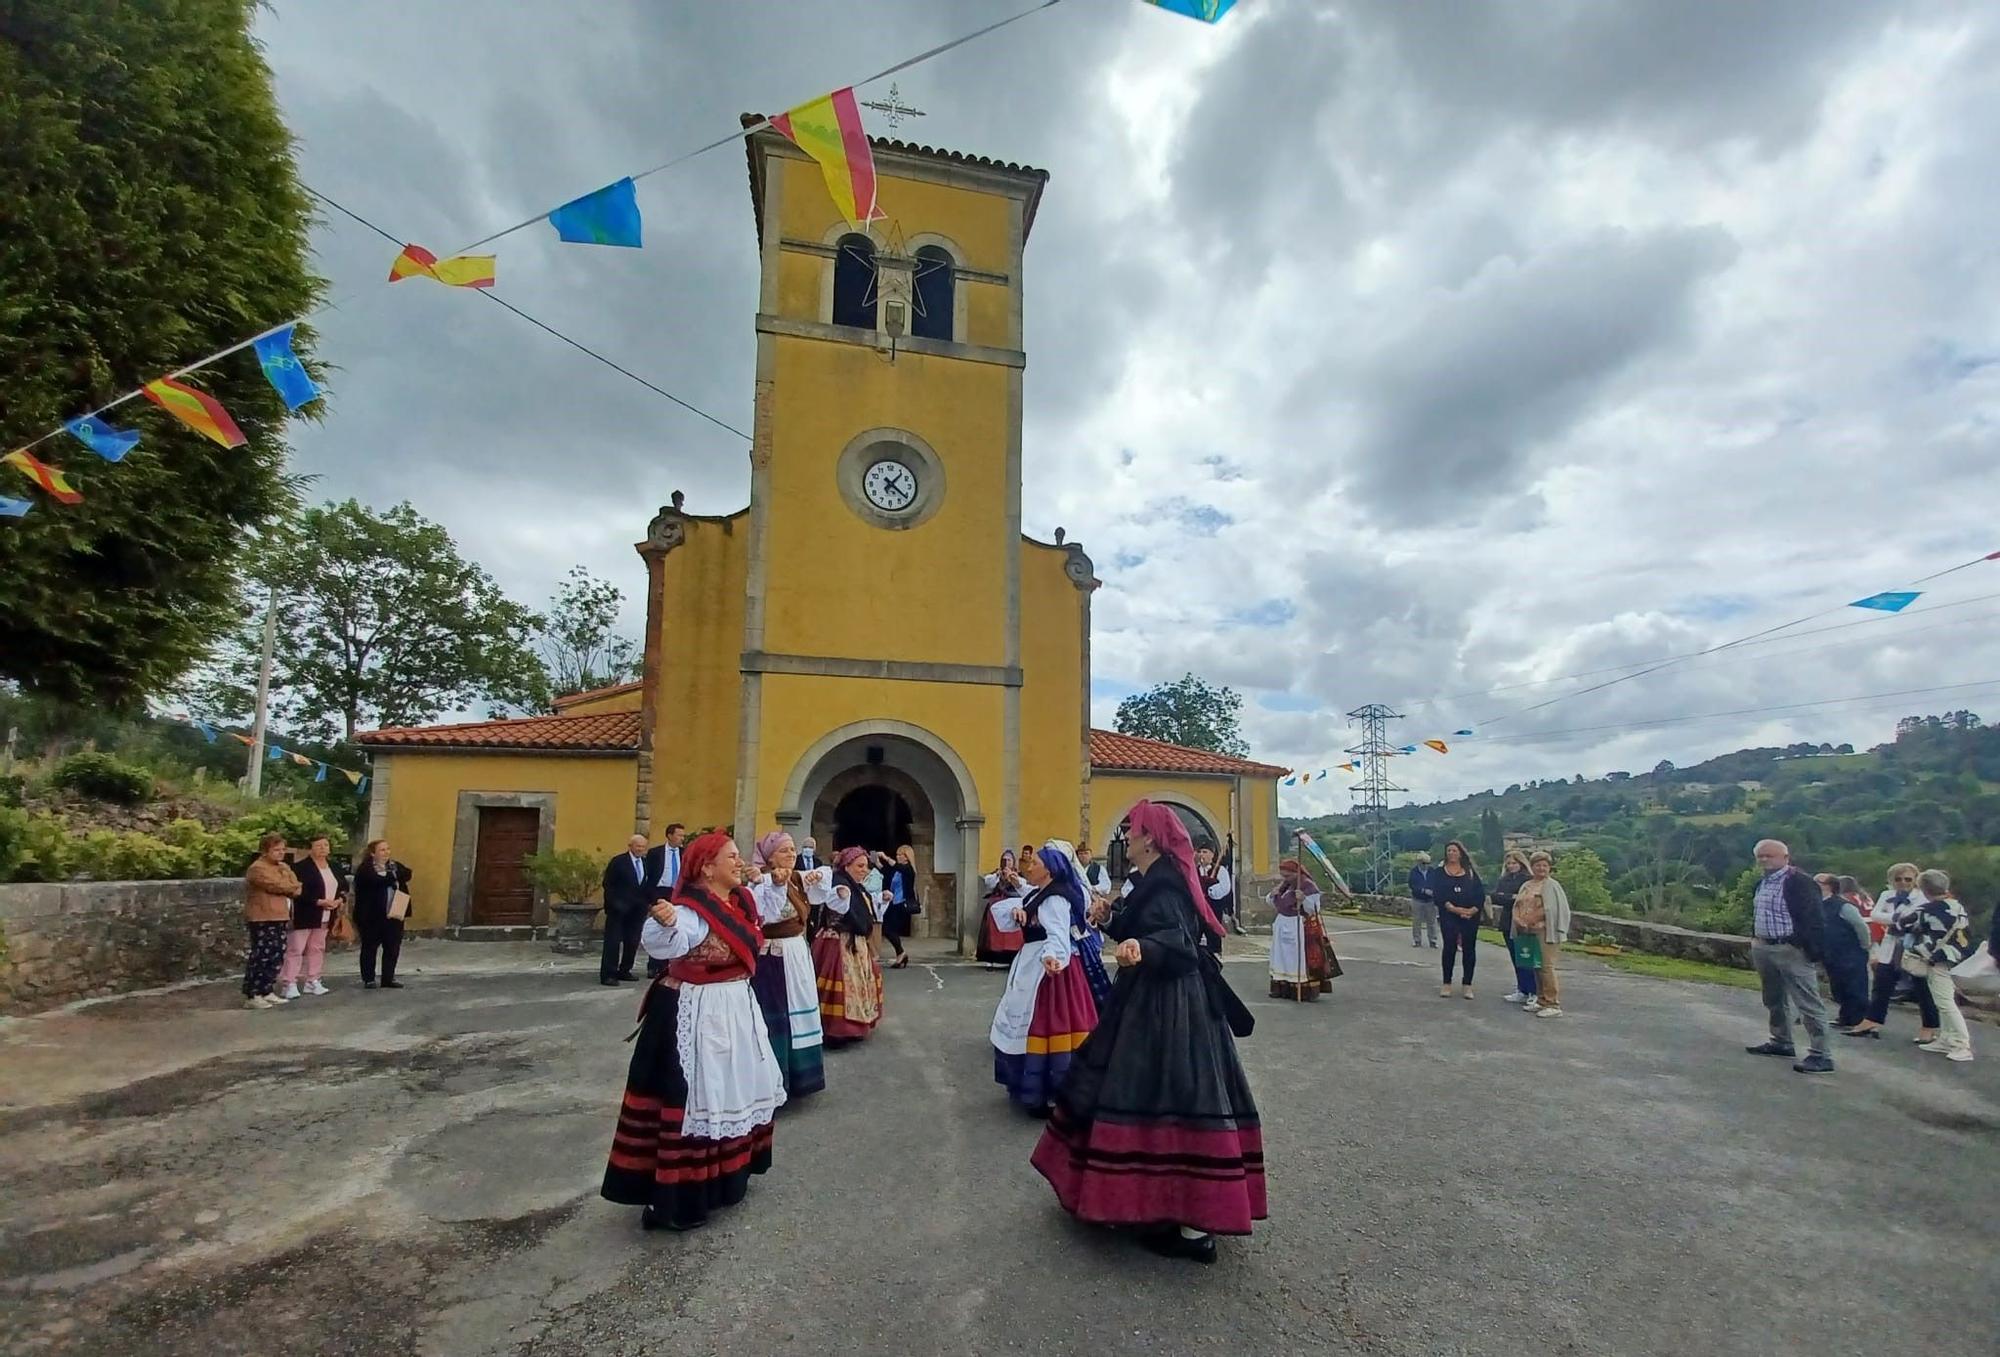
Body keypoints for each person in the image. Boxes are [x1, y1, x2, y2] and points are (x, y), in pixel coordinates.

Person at [1030, 801, 1264, 1265]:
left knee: (1165, 1095)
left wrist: (1145, 947)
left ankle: (1172, 1217)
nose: (1126, 837)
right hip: (1152, 997)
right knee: (1146, 1091)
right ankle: (1142, 1200)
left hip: (1169, 1006)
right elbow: (1152, 928)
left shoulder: (1168, 885)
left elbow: (1177, 939)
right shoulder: (1152, 882)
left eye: (1131, 832)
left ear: (1150, 841)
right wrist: (1113, 921)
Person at [601, 831, 786, 1232]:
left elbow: (768, 916)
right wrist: (665, 921)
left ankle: (725, 1181)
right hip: (696, 1011)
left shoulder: (738, 902)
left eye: (739, 856)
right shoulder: (692, 911)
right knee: (699, 1098)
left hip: (733, 1006)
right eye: (731, 857)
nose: (739, 862)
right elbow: (671, 939)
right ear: (707, 868)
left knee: (730, 1089)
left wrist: (774, 882)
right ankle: (679, 1197)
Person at [989, 842, 1101, 1114]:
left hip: (1050, 972)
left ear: (1050, 870)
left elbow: (1058, 935)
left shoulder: (1054, 899)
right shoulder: (1044, 892)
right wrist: (1021, 912)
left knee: (1045, 1027)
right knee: (1028, 1022)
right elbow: (1025, 901)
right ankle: (1040, 1089)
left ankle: (1050, 1093)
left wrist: (1052, 958)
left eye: (1036, 863)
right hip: (1037, 963)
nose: (1030, 865)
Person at [745, 831, 827, 1099]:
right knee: (778, 1017)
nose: (791, 854)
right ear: (769, 858)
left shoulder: (795, 879)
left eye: (793, 850)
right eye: (784, 851)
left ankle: (803, 1077)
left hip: (795, 953)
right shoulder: (763, 884)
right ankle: (775, 1081)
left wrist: (817, 879)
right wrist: (773, 884)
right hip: (774, 958)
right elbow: (764, 916)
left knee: (799, 1011)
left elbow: (824, 881)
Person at [1743, 839, 1833, 1074]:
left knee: (1807, 1001)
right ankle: (1781, 1041)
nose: (1764, 860)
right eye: (1760, 856)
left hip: (1790, 949)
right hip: (1764, 946)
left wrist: (1804, 948)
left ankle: (1821, 1054)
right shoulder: (1762, 882)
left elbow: (1815, 919)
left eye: (1769, 856)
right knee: (1773, 998)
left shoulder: (1799, 882)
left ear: (1785, 857)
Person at [1846, 863, 1938, 1040]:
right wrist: (1897, 919)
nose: (1903, 883)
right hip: (1891, 944)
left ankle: (1929, 1027)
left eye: (1908, 879)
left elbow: (1919, 918)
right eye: (1898, 879)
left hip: (1914, 945)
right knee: (1882, 983)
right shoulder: (1887, 895)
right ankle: (1872, 1020)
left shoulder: (1922, 897)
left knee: (1922, 988)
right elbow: (1875, 915)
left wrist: (1895, 920)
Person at [812, 846, 883, 1045]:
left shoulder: (858, 888)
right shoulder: (839, 884)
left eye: (866, 866)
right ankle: (837, 1029)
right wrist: (841, 894)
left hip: (855, 942)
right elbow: (836, 903)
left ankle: (855, 1026)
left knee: (857, 984)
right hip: (838, 942)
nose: (864, 870)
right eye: (859, 866)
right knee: (841, 986)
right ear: (846, 866)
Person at [1904, 869, 1974, 1062]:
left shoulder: (1926, 911)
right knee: (1944, 999)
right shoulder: (1956, 906)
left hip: (1937, 958)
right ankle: (1947, 1038)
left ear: (1924, 889)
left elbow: (1901, 924)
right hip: (1955, 956)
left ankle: (1961, 1043)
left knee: (1945, 1002)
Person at [279, 834, 347, 999]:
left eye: (325, 845)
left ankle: (313, 980)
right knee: (296, 948)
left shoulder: (335, 867)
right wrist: (318, 901)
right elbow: (296, 892)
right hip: (306, 913)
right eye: (318, 845)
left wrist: (338, 900)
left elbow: (344, 886)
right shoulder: (300, 868)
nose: (323, 848)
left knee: (317, 948)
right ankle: (289, 982)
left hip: (327, 914)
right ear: (311, 849)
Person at [1267, 855, 1339, 1001]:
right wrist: (1272, 895)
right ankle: (1282, 987)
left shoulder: (1308, 886)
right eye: (1283, 875)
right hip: (1282, 924)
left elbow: (1314, 909)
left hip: (1297, 925)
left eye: (1288, 875)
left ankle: (1301, 990)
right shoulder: (1284, 885)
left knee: (1296, 958)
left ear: (1296, 873)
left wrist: (1303, 899)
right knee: (1281, 957)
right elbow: (1274, 903)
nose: (1285, 878)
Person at [242, 833, 300, 1010]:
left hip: (280, 915)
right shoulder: (257, 868)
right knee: (262, 954)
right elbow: (277, 885)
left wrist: (289, 884)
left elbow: (297, 887)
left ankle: (267, 989)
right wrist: (288, 885)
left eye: (283, 849)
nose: (280, 853)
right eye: (276, 850)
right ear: (265, 851)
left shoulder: (283, 867)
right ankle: (253, 993)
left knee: (277, 953)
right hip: (262, 916)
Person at [351, 839, 413, 989]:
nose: (386, 853)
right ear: (373, 853)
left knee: (392, 947)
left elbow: (408, 873)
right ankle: (369, 978)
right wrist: (391, 877)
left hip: (394, 913)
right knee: (370, 947)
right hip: (371, 916)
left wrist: (393, 874)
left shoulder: (394, 866)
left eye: (387, 849)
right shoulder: (366, 869)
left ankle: (388, 978)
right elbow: (375, 881)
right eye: (382, 850)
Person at [1516, 852, 1572, 1017]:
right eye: (1537, 865)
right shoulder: (1527, 884)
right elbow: (1518, 904)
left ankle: (1553, 1003)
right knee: (1536, 965)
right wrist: (1518, 919)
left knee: (1546, 966)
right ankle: (1541, 1000)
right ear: (1532, 867)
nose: (1541, 868)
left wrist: (1532, 918)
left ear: (1549, 868)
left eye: (1544, 866)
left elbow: (1552, 909)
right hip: (1528, 931)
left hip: (1546, 931)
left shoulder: (1552, 885)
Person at [1815, 874, 1872, 1030]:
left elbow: (1860, 926)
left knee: (1855, 986)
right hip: (1831, 952)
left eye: (1818, 882)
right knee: (1838, 986)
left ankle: (1858, 1019)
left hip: (1850, 952)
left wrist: (1865, 946)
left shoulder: (1843, 906)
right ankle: (1845, 1017)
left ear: (1829, 886)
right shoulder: (1818, 904)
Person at [1433, 841, 1484, 999]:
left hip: (1470, 916)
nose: (1451, 853)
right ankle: (1446, 983)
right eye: (1449, 850)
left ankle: (1467, 985)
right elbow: (1438, 894)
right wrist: (1454, 909)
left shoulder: (1470, 872)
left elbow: (1480, 894)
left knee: (1469, 949)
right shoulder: (1439, 872)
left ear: (1461, 853)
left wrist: (1472, 910)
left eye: (1454, 850)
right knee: (1449, 947)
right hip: (1449, 915)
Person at [600, 833, 651, 987]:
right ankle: (609, 974)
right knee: (613, 942)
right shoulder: (619, 862)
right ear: (630, 846)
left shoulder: (645, 862)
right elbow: (608, 884)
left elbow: (645, 884)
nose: (641, 849)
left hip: (637, 910)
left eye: (643, 847)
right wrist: (615, 904)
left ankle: (625, 970)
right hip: (619, 910)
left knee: (632, 941)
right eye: (638, 846)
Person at [642, 823, 688, 979]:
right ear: (669, 835)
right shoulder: (656, 853)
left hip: (677, 892)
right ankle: (654, 966)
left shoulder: (685, 853)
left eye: (683, 835)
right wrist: (650, 897)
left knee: (676, 927)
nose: (682, 838)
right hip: (660, 892)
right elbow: (647, 876)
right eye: (679, 835)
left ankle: (670, 965)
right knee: (659, 928)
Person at [1491, 849, 1535, 1005]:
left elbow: (1525, 900)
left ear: (1521, 863)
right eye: (1508, 863)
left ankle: (1532, 990)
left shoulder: (1528, 879)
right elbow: (1496, 897)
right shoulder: (1504, 879)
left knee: (1526, 957)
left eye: (1514, 863)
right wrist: (1512, 897)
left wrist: (1508, 897)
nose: (1511, 866)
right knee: (1515, 958)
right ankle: (1521, 989)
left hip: (1522, 922)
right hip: (1507, 921)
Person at [976, 849, 1030, 967]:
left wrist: (1014, 878)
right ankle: (992, 957)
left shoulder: (1018, 875)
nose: (1007, 862)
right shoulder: (997, 873)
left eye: (1009, 860)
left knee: (1017, 921)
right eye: (1004, 860)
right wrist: (998, 875)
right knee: (992, 914)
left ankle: (1013, 956)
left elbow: (1024, 887)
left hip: (1014, 902)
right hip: (998, 902)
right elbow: (988, 882)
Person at [878, 844, 919, 969]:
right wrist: (878, 863)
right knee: (887, 929)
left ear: (907, 857)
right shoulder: (898, 870)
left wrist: (885, 857)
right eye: (897, 855)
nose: (898, 857)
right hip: (893, 902)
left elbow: (895, 865)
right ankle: (900, 954)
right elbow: (886, 872)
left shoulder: (908, 870)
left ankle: (901, 953)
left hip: (901, 903)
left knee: (889, 929)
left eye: (900, 855)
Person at [1198, 843, 1241, 938]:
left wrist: (1209, 890)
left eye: (1205, 852)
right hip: (1197, 910)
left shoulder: (1220, 870)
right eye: (1200, 852)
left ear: (1212, 855)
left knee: (1213, 935)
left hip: (1214, 909)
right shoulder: (1195, 870)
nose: (1201, 855)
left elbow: (1225, 887)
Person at [1408, 853, 1438, 948]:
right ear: (1419, 862)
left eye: (1428, 863)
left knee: (1432, 921)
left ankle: (1433, 940)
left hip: (1430, 900)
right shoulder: (1413, 872)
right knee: (1417, 921)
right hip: (1418, 899)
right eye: (1424, 863)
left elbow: (1436, 883)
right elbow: (1412, 885)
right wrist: (1423, 890)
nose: (1426, 865)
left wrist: (1434, 891)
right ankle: (1417, 940)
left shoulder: (1432, 871)